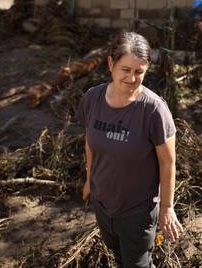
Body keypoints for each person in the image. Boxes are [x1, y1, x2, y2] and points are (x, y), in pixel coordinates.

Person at [76, 32, 183, 267]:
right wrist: (89, 179)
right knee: (120, 257)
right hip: (103, 204)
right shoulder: (92, 99)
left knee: (137, 264)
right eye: (126, 70)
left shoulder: (154, 110)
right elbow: (90, 142)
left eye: (139, 72)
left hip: (137, 212)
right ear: (111, 64)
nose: (132, 78)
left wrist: (167, 208)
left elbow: (168, 162)